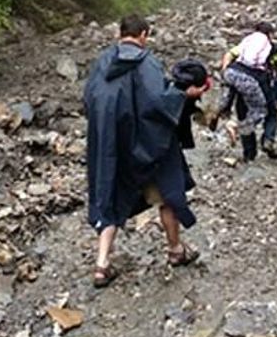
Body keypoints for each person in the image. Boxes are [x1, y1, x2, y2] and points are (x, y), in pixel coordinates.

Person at [84, 15, 208, 288]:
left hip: (110, 145)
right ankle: (176, 250)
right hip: (145, 144)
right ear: (142, 35)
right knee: (167, 193)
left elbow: (90, 98)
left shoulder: (102, 62)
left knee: (109, 197)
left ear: (120, 33)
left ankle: (101, 264)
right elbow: (157, 103)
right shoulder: (146, 62)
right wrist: (184, 96)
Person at [213, 22, 277, 161]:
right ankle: (267, 140)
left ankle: (249, 155)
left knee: (243, 112)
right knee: (269, 112)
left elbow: (229, 55)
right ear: (270, 34)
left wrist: (225, 71)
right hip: (258, 82)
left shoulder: (247, 41)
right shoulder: (270, 46)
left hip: (235, 76)